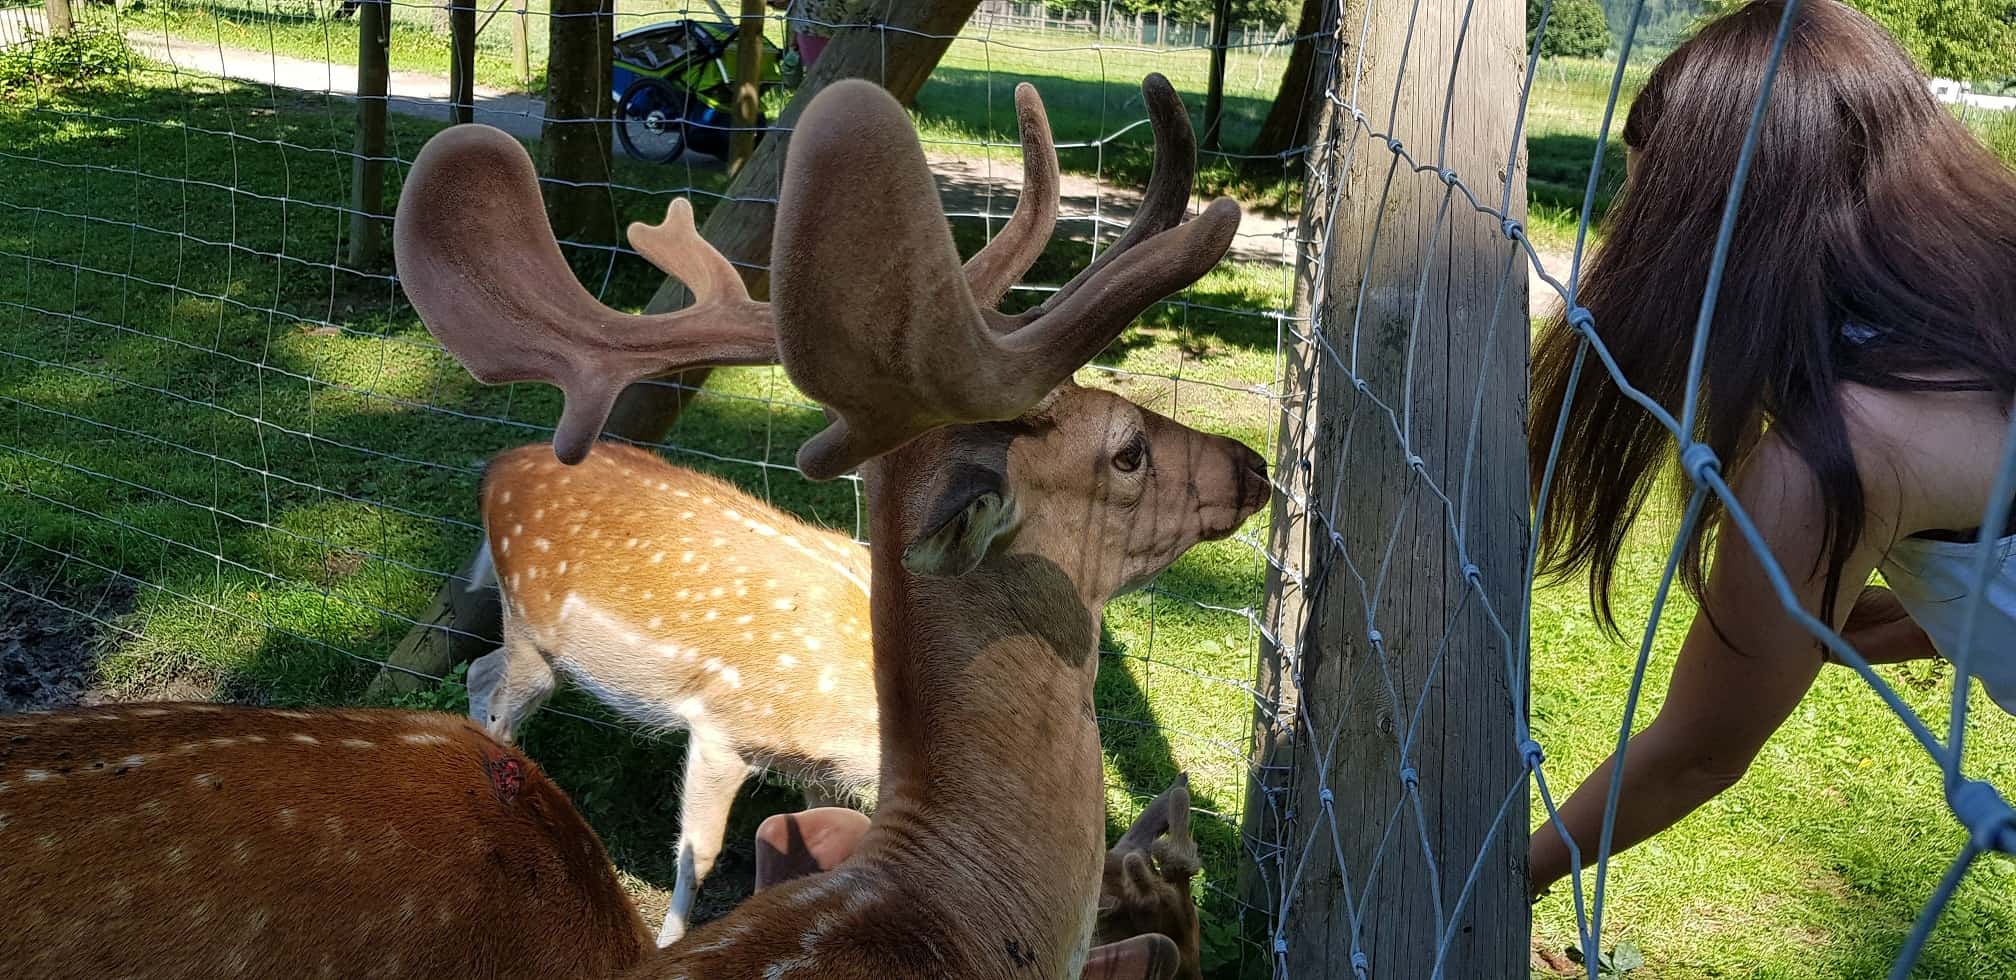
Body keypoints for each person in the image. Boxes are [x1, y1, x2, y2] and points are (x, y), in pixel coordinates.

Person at [1526, 0, 2016, 899]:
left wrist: (1517, 871)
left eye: (1648, 213)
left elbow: (1697, 756)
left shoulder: (1832, 456)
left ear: (1712, 234)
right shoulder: (1984, 301)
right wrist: (1936, 621)